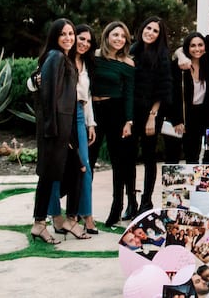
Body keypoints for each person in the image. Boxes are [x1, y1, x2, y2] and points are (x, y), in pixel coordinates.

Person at [31, 18, 87, 243]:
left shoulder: (64, 58)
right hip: (54, 129)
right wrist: (52, 130)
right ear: (55, 37)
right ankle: (39, 224)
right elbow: (48, 96)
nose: (68, 38)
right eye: (63, 34)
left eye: (71, 34)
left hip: (65, 127)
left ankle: (69, 219)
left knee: (76, 170)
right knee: (47, 176)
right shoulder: (55, 57)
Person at [48, 24, 98, 235]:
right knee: (57, 168)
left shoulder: (87, 64)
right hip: (61, 117)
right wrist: (35, 81)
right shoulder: (59, 58)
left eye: (88, 41)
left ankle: (85, 215)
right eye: (81, 38)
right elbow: (35, 81)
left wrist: (91, 123)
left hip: (79, 116)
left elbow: (87, 97)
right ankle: (55, 215)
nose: (84, 43)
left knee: (84, 168)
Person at [92, 21, 136, 226]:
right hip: (93, 111)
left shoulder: (127, 63)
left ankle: (117, 207)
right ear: (107, 35)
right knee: (88, 160)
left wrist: (128, 121)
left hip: (116, 111)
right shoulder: (93, 56)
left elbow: (129, 94)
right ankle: (82, 210)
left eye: (123, 36)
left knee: (119, 162)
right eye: (115, 35)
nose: (119, 39)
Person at [130, 16, 173, 214]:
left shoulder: (162, 55)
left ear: (159, 35)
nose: (150, 33)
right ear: (142, 29)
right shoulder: (133, 51)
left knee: (148, 157)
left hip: (151, 113)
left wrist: (152, 116)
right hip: (131, 112)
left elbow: (163, 89)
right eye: (148, 28)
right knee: (128, 159)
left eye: (155, 31)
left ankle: (146, 201)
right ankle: (131, 201)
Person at [165, 32, 208, 164]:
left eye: (200, 45)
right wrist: (176, 119)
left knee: (193, 157)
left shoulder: (208, 65)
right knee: (173, 158)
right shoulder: (177, 66)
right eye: (192, 45)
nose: (197, 49)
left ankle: (191, 185)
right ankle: (173, 186)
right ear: (187, 48)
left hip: (198, 116)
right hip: (179, 116)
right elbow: (170, 94)